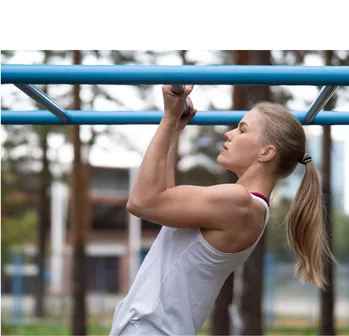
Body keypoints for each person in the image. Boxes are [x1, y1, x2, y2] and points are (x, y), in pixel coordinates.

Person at [110, 85, 334, 335]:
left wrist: (169, 118)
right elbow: (162, 199)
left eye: (242, 129)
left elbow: (141, 202)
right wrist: (173, 129)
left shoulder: (239, 202)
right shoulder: (248, 206)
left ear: (266, 152)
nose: (229, 134)